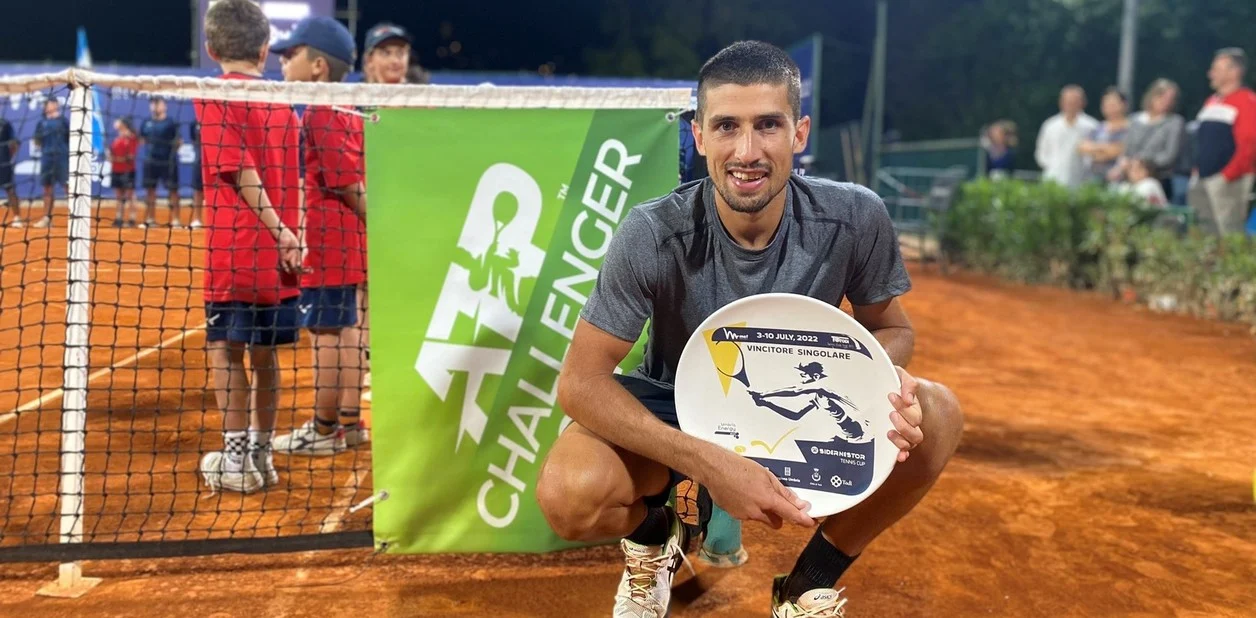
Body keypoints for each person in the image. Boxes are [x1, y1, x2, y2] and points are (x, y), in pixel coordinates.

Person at [534, 41, 964, 618]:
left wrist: (883, 382)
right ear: (699, 136)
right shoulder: (653, 232)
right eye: (727, 126)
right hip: (675, 404)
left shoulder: (855, 215)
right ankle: (655, 534)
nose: (747, 150)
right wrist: (709, 463)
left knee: (935, 413)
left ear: (800, 133)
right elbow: (581, 382)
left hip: (797, 400)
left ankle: (809, 580)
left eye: (768, 125)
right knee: (570, 495)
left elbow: (890, 326)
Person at [195, 0, 304, 494]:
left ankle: (237, 460)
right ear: (264, 48)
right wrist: (290, 235)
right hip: (279, 264)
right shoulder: (283, 102)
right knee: (265, 357)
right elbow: (291, 177)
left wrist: (278, 228)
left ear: (211, 47)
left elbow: (240, 171)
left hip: (238, 253)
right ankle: (261, 455)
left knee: (226, 352)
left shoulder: (214, 95)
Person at [269, 16, 371, 455]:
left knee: (325, 335)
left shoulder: (320, 111)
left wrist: (377, 221)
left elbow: (348, 183)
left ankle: (325, 429)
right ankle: (350, 425)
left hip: (330, 245)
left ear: (317, 68)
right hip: (348, 243)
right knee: (347, 331)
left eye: (292, 55)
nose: (283, 63)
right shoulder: (346, 106)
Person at [1189, 47, 1256, 236]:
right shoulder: (1212, 101)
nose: (1211, 74)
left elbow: (1250, 145)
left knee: (1229, 233)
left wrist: (1227, 175)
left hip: (1228, 181)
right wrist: (1197, 170)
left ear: (1234, 72)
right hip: (1202, 178)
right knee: (1203, 233)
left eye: (1216, 69)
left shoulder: (1247, 101)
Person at [1035, 85, 1099, 189]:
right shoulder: (1050, 125)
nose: (1071, 104)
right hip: (1053, 180)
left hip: (1082, 182)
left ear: (1083, 103)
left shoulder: (1092, 126)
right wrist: (1052, 166)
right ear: (1061, 102)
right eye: (1068, 101)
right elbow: (1041, 153)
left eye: (1075, 101)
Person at [139, 97, 183, 228]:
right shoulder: (146, 122)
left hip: (168, 162)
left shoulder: (171, 123)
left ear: (164, 106)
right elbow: (142, 140)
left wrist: (169, 152)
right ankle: (150, 219)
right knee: (150, 190)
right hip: (151, 161)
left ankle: (176, 220)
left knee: (173, 190)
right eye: (152, 103)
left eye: (158, 103)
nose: (155, 106)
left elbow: (179, 142)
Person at [31, 98, 70, 228]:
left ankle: (75, 218)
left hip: (62, 158)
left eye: (52, 104)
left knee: (68, 187)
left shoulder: (64, 121)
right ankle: (47, 219)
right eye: (47, 104)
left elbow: (71, 139)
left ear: (57, 105)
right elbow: (37, 140)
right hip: (47, 158)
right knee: (47, 189)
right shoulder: (41, 122)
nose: (49, 106)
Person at [1077, 87, 1129, 185]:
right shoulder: (1098, 128)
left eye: (1113, 104)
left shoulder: (1131, 129)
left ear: (1124, 105)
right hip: (1092, 178)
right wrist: (1104, 149)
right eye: (1106, 104)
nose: (1109, 107)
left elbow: (1119, 150)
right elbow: (1082, 147)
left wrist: (1096, 149)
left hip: (1117, 180)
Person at [108, 118, 139, 227]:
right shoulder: (117, 139)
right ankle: (119, 217)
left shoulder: (131, 138)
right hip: (116, 170)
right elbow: (111, 154)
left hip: (128, 171)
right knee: (119, 196)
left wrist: (116, 159)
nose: (115, 123)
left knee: (130, 195)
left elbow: (130, 157)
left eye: (118, 121)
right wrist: (111, 156)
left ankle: (132, 218)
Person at [0, 114, 19, 227]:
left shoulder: (4, 123)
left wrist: (8, 158)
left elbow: (14, 143)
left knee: (10, 189)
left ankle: (17, 217)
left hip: (3, 162)